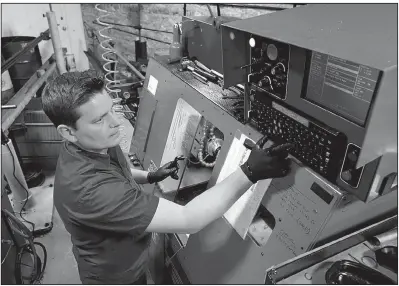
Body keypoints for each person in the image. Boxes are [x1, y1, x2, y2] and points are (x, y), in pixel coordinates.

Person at [41, 70, 292, 284]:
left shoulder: (91, 143)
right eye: (99, 120)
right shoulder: (88, 190)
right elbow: (188, 219)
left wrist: (150, 176)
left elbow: (120, 173)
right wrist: (250, 172)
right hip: (115, 275)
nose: (116, 122)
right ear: (67, 132)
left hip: (128, 257)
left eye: (112, 110)